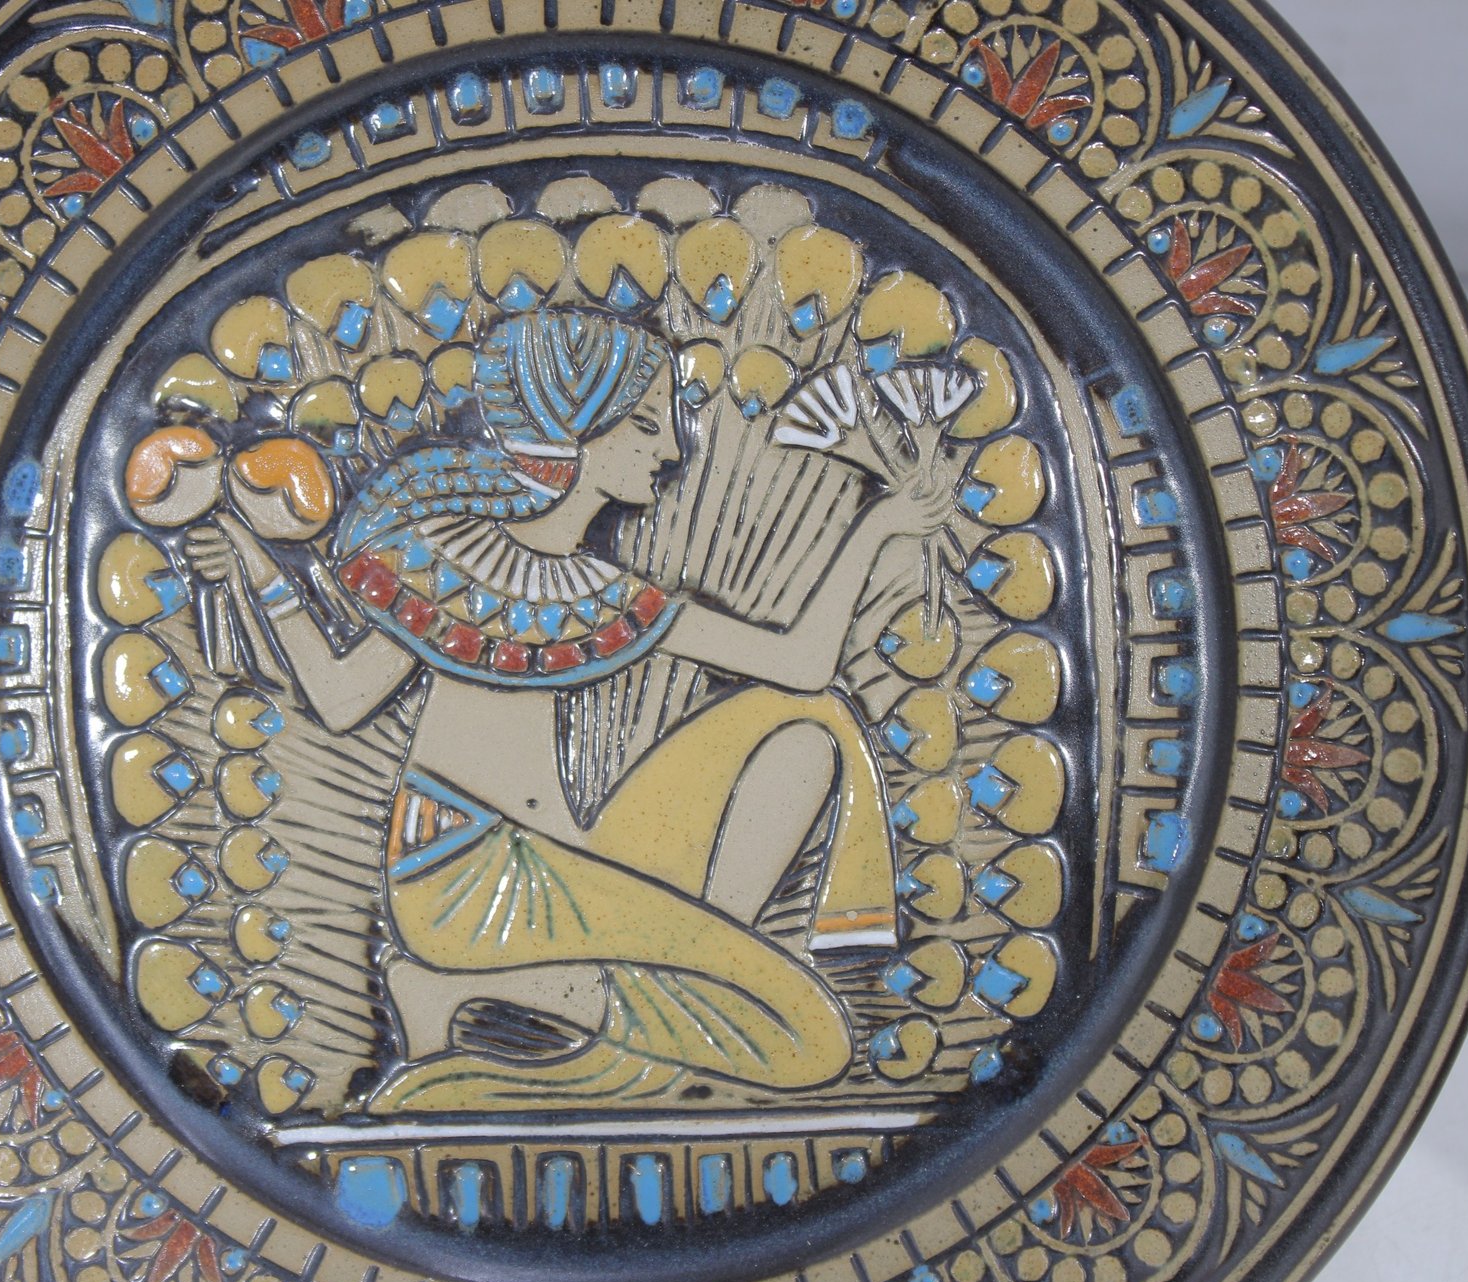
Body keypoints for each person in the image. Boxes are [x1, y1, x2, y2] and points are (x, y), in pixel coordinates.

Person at [187, 307, 947, 1114]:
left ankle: (679, 975)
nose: (673, 449)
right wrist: (259, 569)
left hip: (564, 859)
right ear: (572, 435)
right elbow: (343, 701)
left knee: (811, 725)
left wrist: (879, 524)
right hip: (463, 878)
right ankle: (474, 989)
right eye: (647, 424)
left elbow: (800, 665)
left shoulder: (603, 593)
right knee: (811, 1040)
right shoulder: (448, 558)